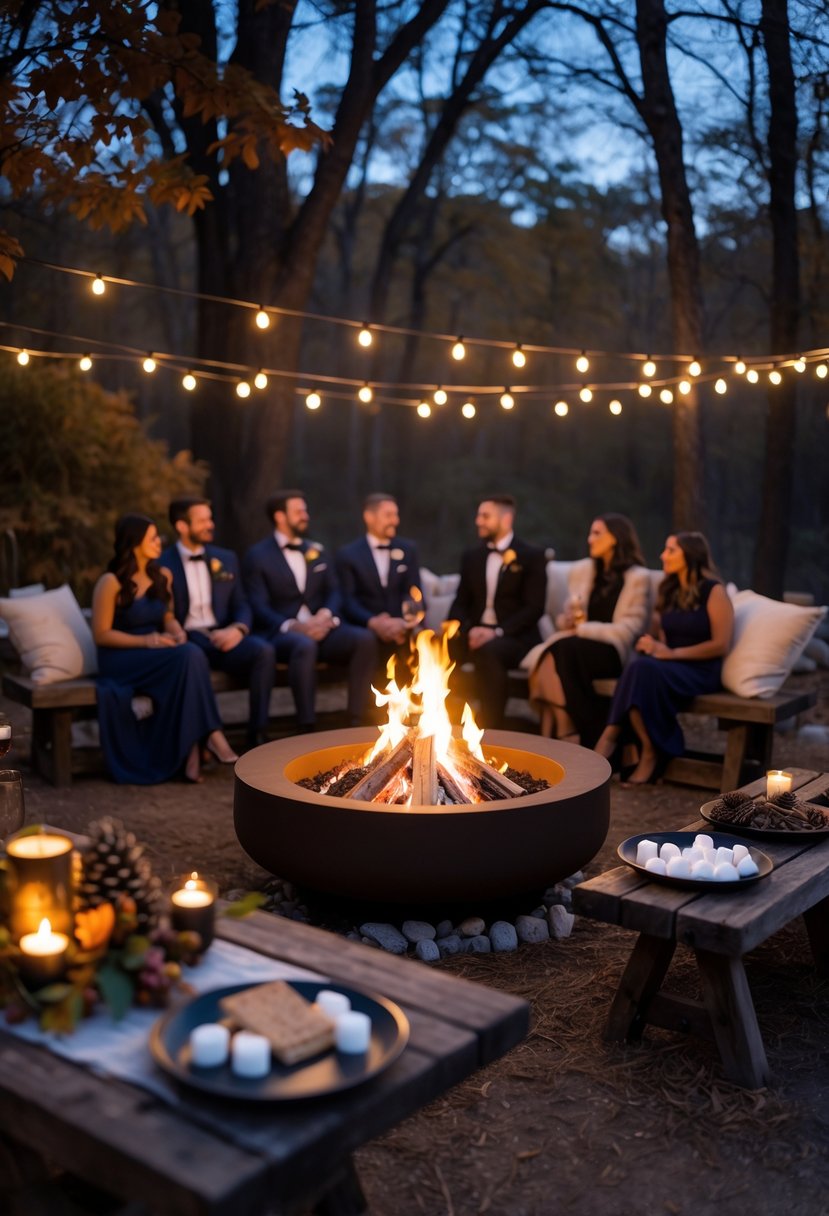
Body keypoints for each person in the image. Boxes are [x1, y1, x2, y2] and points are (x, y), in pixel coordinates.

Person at [92, 513, 238, 784]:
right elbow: (101, 635)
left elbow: (167, 617)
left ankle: (192, 752)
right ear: (134, 543)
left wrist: (177, 631)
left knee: (189, 653)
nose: (159, 542)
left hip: (156, 651)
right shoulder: (110, 582)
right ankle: (210, 735)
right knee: (189, 656)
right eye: (152, 538)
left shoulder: (163, 576)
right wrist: (148, 641)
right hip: (121, 657)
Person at [595, 531, 734, 786]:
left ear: (690, 555)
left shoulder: (713, 591)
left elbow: (720, 645)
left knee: (642, 671)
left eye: (671, 550)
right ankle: (642, 746)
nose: (663, 555)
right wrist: (652, 643)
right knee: (640, 667)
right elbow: (661, 636)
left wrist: (671, 654)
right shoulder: (668, 589)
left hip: (701, 670)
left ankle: (616, 740)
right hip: (670, 666)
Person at [243, 490, 379, 730]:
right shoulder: (258, 555)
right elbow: (258, 605)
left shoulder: (316, 550)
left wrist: (325, 615)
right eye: (298, 511)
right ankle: (307, 725)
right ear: (280, 517)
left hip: (321, 628)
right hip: (282, 634)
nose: (305, 515)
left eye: (305, 510)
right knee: (303, 644)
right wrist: (295, 626)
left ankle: (356, 719)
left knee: (364, 639)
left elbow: (335, 591)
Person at [526, 514, 652, 746]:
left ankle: (565, 733)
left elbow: (629, 631)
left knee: (560, 650)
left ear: (614, 538)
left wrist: (583, 629)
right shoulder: (584, 572)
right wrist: (568, 621)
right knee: (555, 654)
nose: (590, 539)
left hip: (614, 650)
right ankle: (568, 729)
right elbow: (569, 618)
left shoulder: (638, 578)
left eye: (597, 533)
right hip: (577, 647)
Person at [161, 496, 275, 750]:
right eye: (202, 520)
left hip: (223, 636)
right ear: (182, 526)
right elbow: (161, 613)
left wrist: (238, 629)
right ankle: (209, 737)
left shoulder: (225, 558)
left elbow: (242, 603)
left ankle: (257, 734)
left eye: (210, 519)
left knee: (264, 652)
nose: (210, 525)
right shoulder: (162, 563)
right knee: (192, 656)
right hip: (187, 639)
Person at [448, 494, 547, 728]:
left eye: (485, 516)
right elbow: (460, 602)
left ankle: (491, 728)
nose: (478, 521)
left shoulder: (532, 556)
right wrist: (467, 629)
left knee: (489, 651)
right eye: (479, 516)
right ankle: (442, 723)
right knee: (436, 644)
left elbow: (534, 608)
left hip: (514, 636)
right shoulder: (472, 556)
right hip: (475, 633)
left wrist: (497, 632)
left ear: (506, 519)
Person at [335, 492, 424, 664]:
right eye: (388, 515)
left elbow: (414, 592)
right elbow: (348, 600)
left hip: (401, 627)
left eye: (396, 515)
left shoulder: (408, 549)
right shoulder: (348, 555)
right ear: (369, 517)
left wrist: (403, 622)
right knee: (365, 641)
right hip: (364, 628)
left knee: (419, 643)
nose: (395, 521)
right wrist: (373, 622)